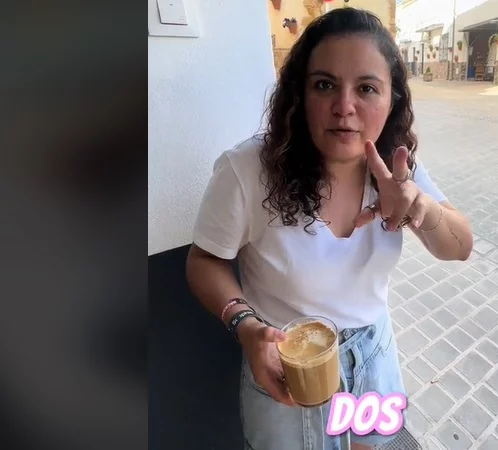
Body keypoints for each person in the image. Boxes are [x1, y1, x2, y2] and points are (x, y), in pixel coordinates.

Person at [185, 8, 473, 450]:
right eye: (324, 85)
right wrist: (244, 325)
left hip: (373, 354)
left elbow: (460, 246)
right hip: (285, 361)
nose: (344, 107)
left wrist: (420, 207)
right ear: (299, 95)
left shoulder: (398, 170)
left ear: (392, 98)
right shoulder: (246, 171)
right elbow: (204, 261)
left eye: (366, 88)